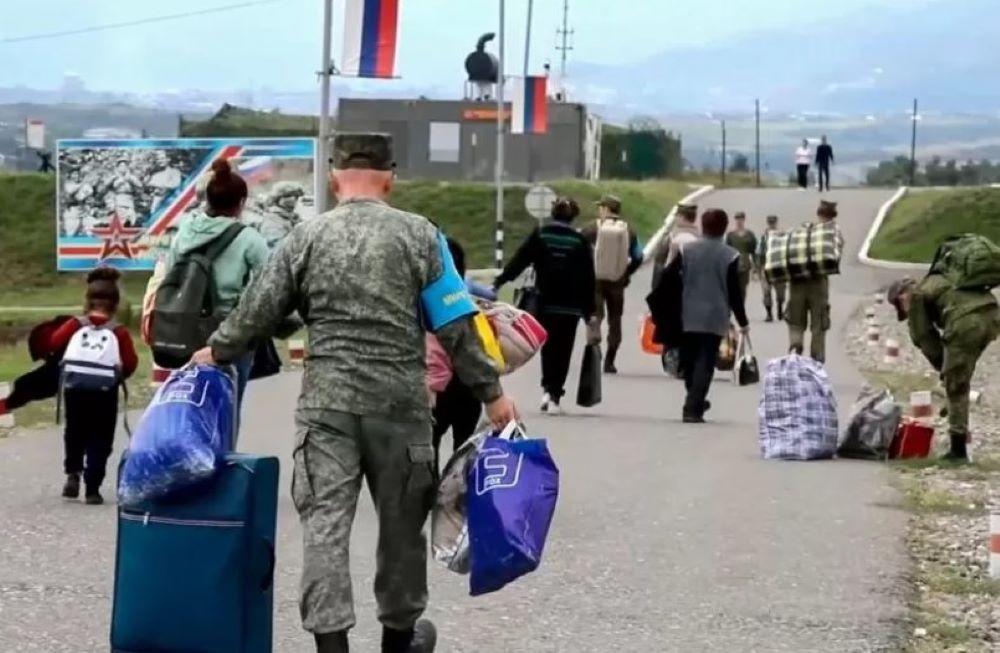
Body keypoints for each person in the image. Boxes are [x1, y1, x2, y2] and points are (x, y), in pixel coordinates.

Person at [191, 133, 516, 653]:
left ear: (333, 177)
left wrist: (218, 351)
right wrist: (493, 393)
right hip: (401, 408)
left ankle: (331, 647)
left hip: (327, 410)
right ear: (390, 178)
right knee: (402, 532)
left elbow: (258, 309)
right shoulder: (420, 236)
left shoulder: (306, 238)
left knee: (324, 528)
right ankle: (398, 639)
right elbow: (457, 321)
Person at [161, 159, 270, 418]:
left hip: (185, 331)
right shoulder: (249, 240)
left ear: (207, 199)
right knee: (226, 413)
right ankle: (219, 456)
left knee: (188, 407)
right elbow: (267, 287)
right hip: (229, 335)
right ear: (242, 202)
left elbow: (170, 274)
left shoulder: (185, 232)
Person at [494, 197, 596, 414]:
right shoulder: (579, 241)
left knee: (548, 348)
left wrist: (500, 281)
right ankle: (555, 396)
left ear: (553, 213)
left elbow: (520, 260)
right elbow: (588, 279)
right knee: (564, 349)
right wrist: (590, 313)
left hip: (545, 303)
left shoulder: (541, 235)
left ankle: (546, 390)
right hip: (570, 307)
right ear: (573, 216)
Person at [47, 269, 138, 505]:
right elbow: (130, 363)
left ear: (88, 300)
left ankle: (73, 474)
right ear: (116, 303)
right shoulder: (118, 331)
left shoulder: (75, 324)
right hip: (104, 392)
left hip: (75, 388)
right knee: (100, 437)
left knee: (75, 431)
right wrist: (115, 377)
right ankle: (93, 488)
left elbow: (53, 342)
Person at [888, 275, 1000, 462]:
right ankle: (958, 432)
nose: (904, 312)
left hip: (966, 322)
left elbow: (923, 336)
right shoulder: (937, 280)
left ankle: (958, 451)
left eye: (900, 308)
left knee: (955, 385)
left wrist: (945, 371)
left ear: (902, 296)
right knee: (960, 375)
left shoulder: (915, 296)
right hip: (991, 316)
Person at [655, 209, 749, 423]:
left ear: (703, 225)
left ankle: (694, 401)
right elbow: (734, 293)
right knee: (705, 362)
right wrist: (742, 322)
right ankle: (693, 405)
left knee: (688, 361)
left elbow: (668, 279)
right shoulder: (730, 256)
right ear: (724, 228)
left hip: (687, 314)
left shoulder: (687, 251)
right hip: (715, 317)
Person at [582, 195, 643, 374]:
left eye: (601, 207)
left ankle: (594, 350)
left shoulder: (591, 229)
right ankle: (610, 361)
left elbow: (579, 250)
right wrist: (627, 272)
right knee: (615, 321)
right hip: (618, 282)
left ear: (606, 209)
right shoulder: (629, 230)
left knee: (595, 318)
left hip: (595, 281)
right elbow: (638, 256)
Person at [786, 200, 844, 363]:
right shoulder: (832, 232)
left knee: (796, 321)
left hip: (796, 282)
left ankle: (794, 352)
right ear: (833, 215)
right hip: (818, 283)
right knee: (819, 324)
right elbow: (835, 256)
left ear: (819, 214)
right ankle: (816, 361)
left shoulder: (804, 231)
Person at [651, 203, 700, 288]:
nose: (675, 218)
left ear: (682, 217)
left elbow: (660, 261)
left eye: (677, 216)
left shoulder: (673, 236)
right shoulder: (700, 236)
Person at [757, 215, 787, 322]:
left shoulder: (781, 235)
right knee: (766, 292)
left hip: (778, 267)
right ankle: (769, 314)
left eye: (773, 222)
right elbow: (759, 253)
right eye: (770, 223)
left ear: (776, 222)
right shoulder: (764, 237)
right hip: (767, 267)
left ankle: (779, 311)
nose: (772, 224)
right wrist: (759, 269)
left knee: (780, 293)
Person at [724, 212, 758, 303]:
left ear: (744, 220)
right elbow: (726, 250)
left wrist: (755, 267)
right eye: (737, 219)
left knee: (743, 288)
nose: (739, 221)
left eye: (741, 219)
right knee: (733, 287)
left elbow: (754, 250)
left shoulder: (749, 234)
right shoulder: (730, 235)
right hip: (733, 264)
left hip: (745, 265)